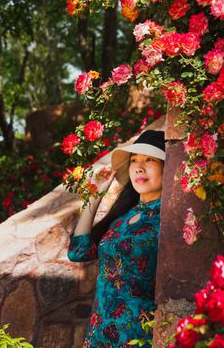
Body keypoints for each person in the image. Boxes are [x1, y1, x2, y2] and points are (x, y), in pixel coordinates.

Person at [68, 129, 165, 348]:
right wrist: (94, 196)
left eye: (149, 159)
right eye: (134, 160)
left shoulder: (168, 221)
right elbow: (78, 251)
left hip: (136, 336)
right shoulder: (123, 217)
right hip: (99, 334)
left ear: (166, 167)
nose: (139, 166)